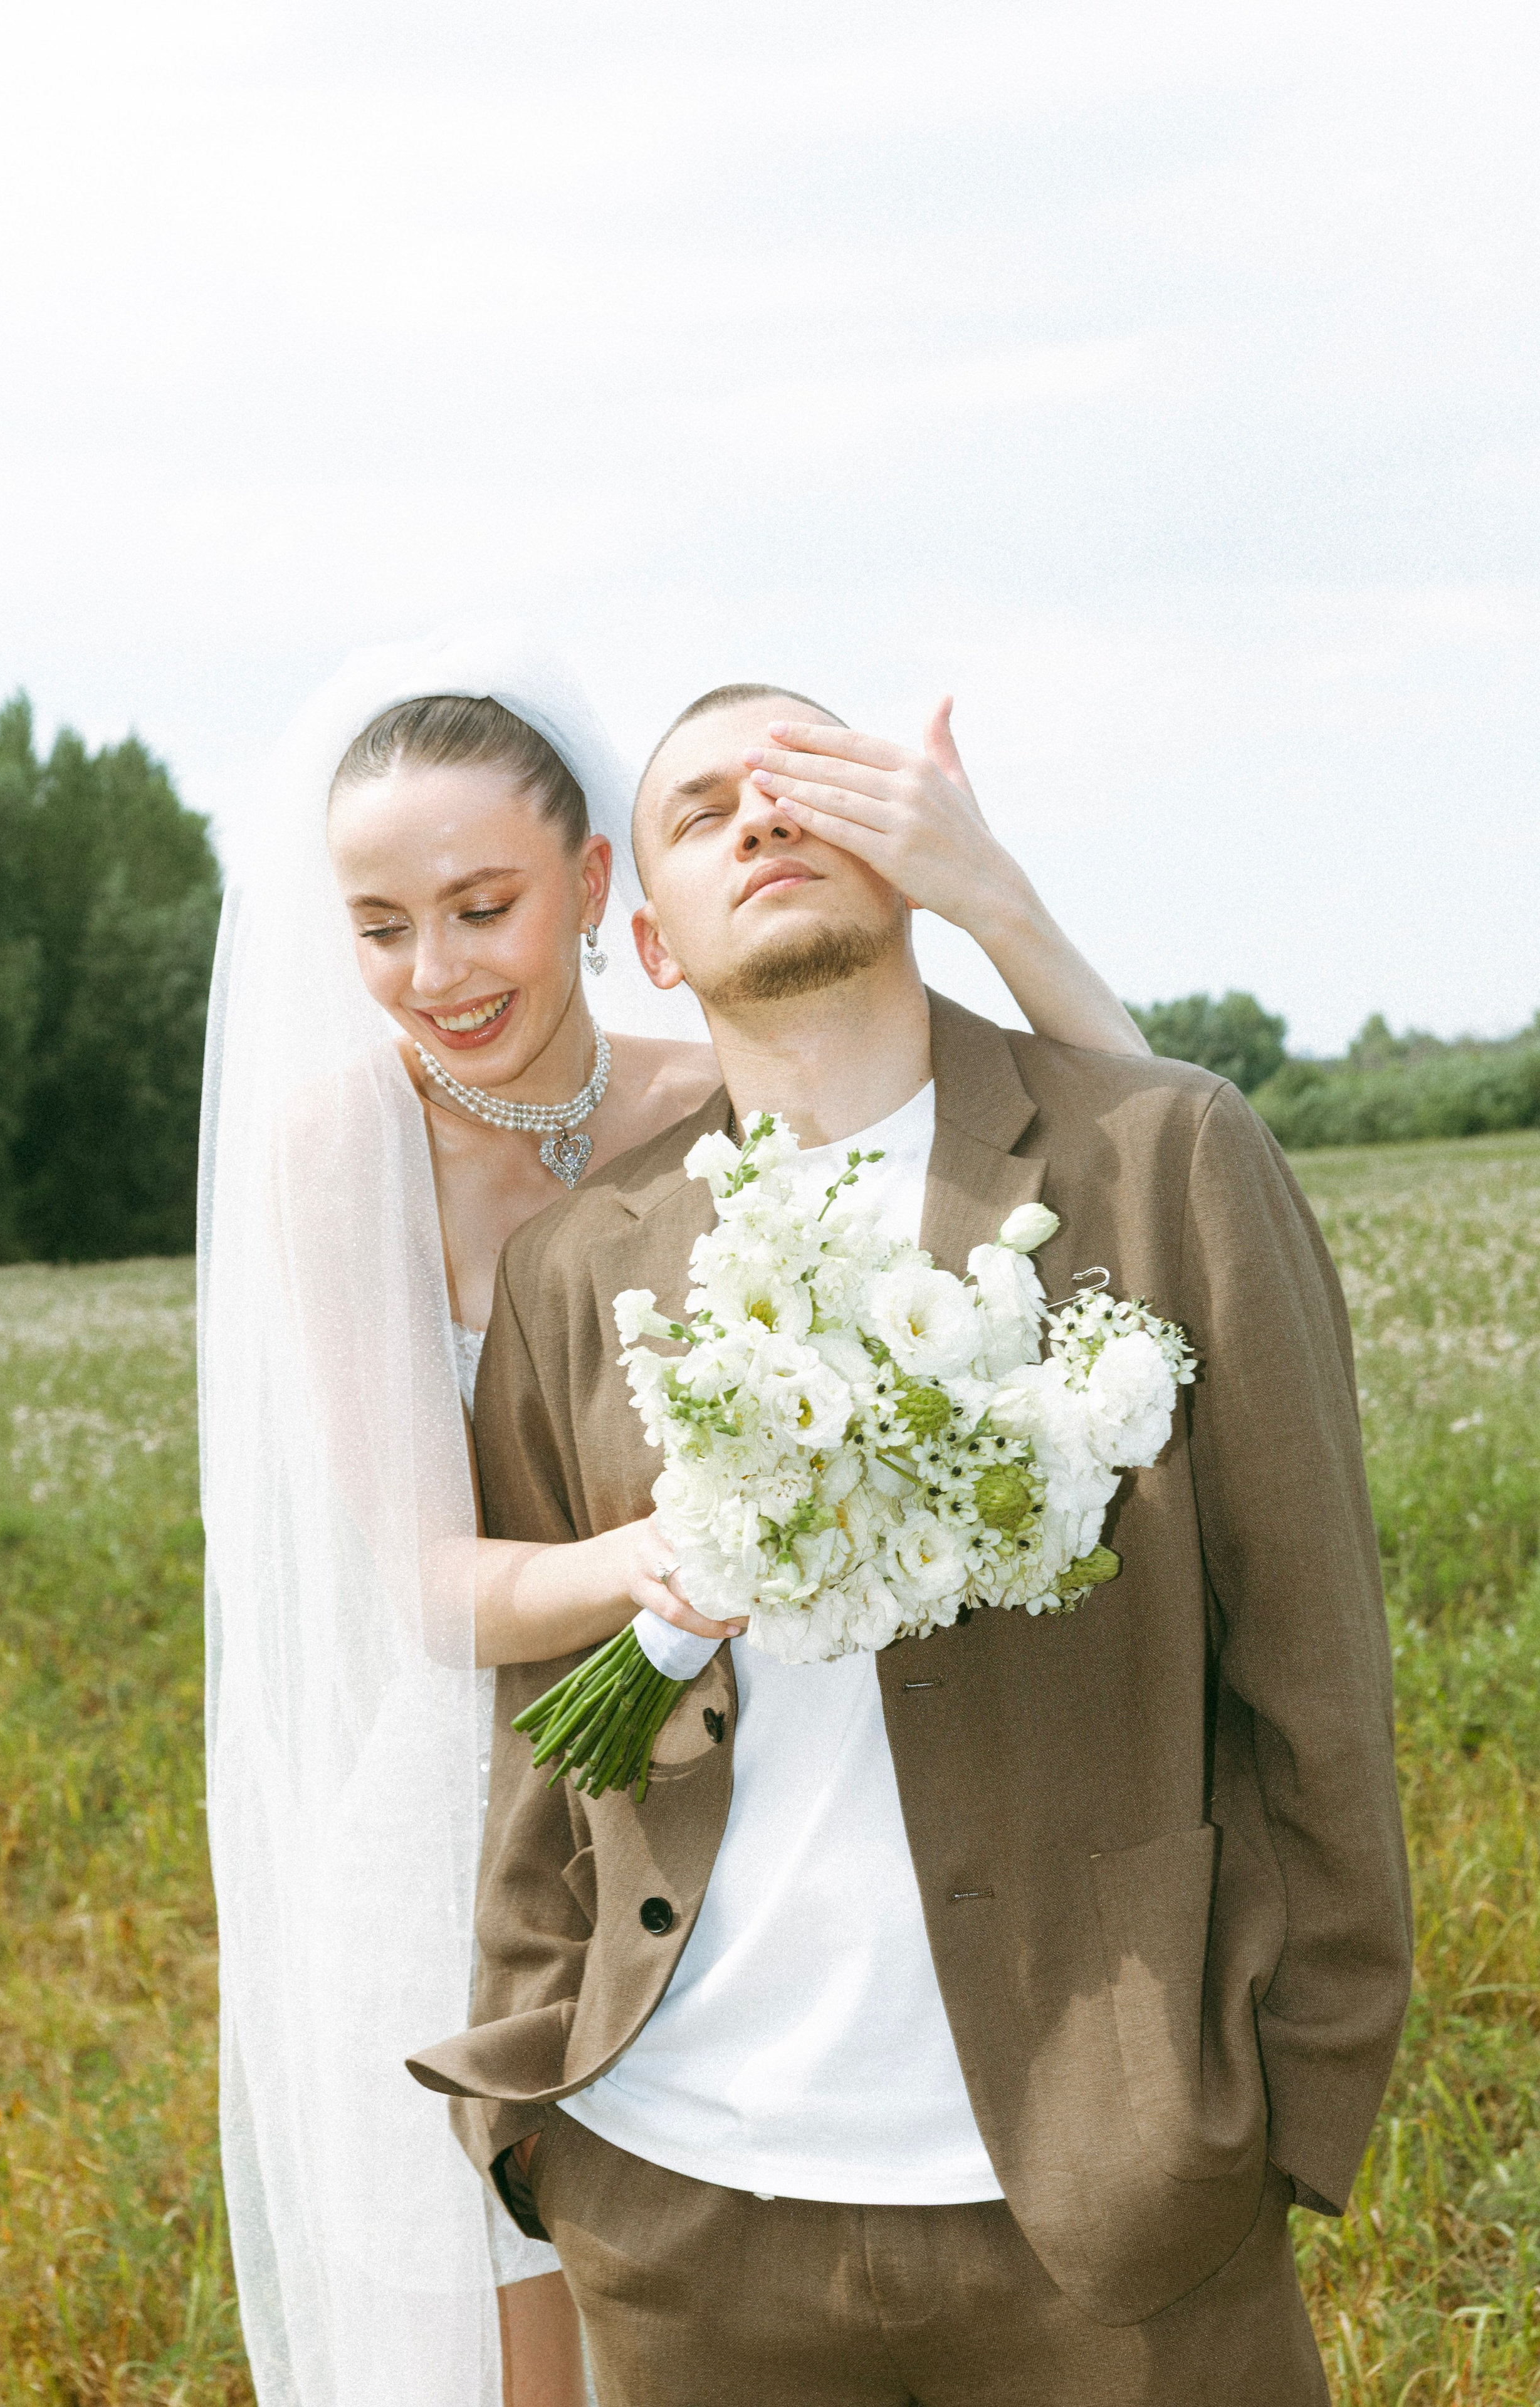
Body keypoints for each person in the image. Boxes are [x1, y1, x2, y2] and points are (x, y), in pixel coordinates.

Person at [407, 681, 1415, 2406]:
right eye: (705, 807)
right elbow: (540, 1723)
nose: (765, 818)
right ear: (648, 939)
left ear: (906, 852)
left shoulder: (1157, 1159)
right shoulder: (584, 1266)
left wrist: (1286, 2087)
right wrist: (547, 2112)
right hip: (681, 2198)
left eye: (810, 779)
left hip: (1112, 2199)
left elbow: (1313, 1651)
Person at [199, 627, 1148, 2407]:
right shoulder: (340, 1153)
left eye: (480, 907)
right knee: (511, 2344)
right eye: (381, 927)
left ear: (590, 888)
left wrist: (995, 900)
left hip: (717, 1804)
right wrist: (667, 1556)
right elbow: (426, 1583)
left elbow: (1140, 1138)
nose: (434, 971)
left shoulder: (712, 1086)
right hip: (478, 1807)